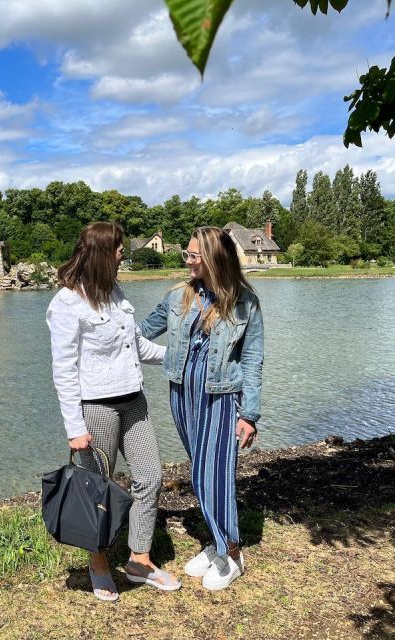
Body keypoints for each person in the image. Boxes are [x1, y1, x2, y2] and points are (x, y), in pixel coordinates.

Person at [46, 221, 181, 602]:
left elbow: (135, 345)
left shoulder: (116, 292)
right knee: (96, 492)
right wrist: (75, 427)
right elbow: (64, 370)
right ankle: (99, 562)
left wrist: (178, 359)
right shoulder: (67, 303)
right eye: (119, 247)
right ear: (103, 252)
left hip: (133, 402)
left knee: (150, 476)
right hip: (96, 410)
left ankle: (139, 559)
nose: (124, 252)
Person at [139, 226, 264, 591]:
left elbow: (253, 360)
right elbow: (142, 331)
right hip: (181, 394)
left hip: (221, 397)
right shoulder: (179, 297)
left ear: (214, 259)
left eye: (194, 256)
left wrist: (249, 415)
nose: (189, 262)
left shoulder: (245, 303)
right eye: (188, 255)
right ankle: (217, 543)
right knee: (200, 471)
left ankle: (233, 552)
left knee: (213, 477)